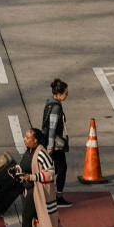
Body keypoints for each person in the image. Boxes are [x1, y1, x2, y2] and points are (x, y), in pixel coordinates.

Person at [9, 127, 69, 227]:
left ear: (35, 140)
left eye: (28, 138)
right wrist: (16, 169)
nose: (24, 139)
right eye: (25, 137)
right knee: (42, 219)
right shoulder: (29, 151)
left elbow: (51, 173)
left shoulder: (42, 153)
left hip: (37, 192)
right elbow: (25, 167)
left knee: (26, 217)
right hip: (29, 190)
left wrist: (32, 177)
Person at [41, 79, 72, 207]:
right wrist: (50, 146)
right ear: (59, 94)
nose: (66, 95)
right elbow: (52, 127)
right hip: (53, 144)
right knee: (62, 168)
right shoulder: (56, 107)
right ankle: (58, 197)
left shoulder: (49, 103)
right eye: (66, 93)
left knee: (54, 169)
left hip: (48, 141)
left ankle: (48, 193)